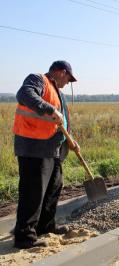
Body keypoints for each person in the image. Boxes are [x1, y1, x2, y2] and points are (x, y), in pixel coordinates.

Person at [13, 60, 80, 249]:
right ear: (60, 72)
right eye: (68, 78)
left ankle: (45, 227)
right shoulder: (38, 80)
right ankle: (24, 237)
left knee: (53, 189)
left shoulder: (58, 92)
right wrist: (50, 109)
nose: (68, 82)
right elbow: (24, 94)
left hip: (52, 149)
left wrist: (70, 140)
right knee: (33, 193)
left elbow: (61, 122)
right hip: (34, 148)